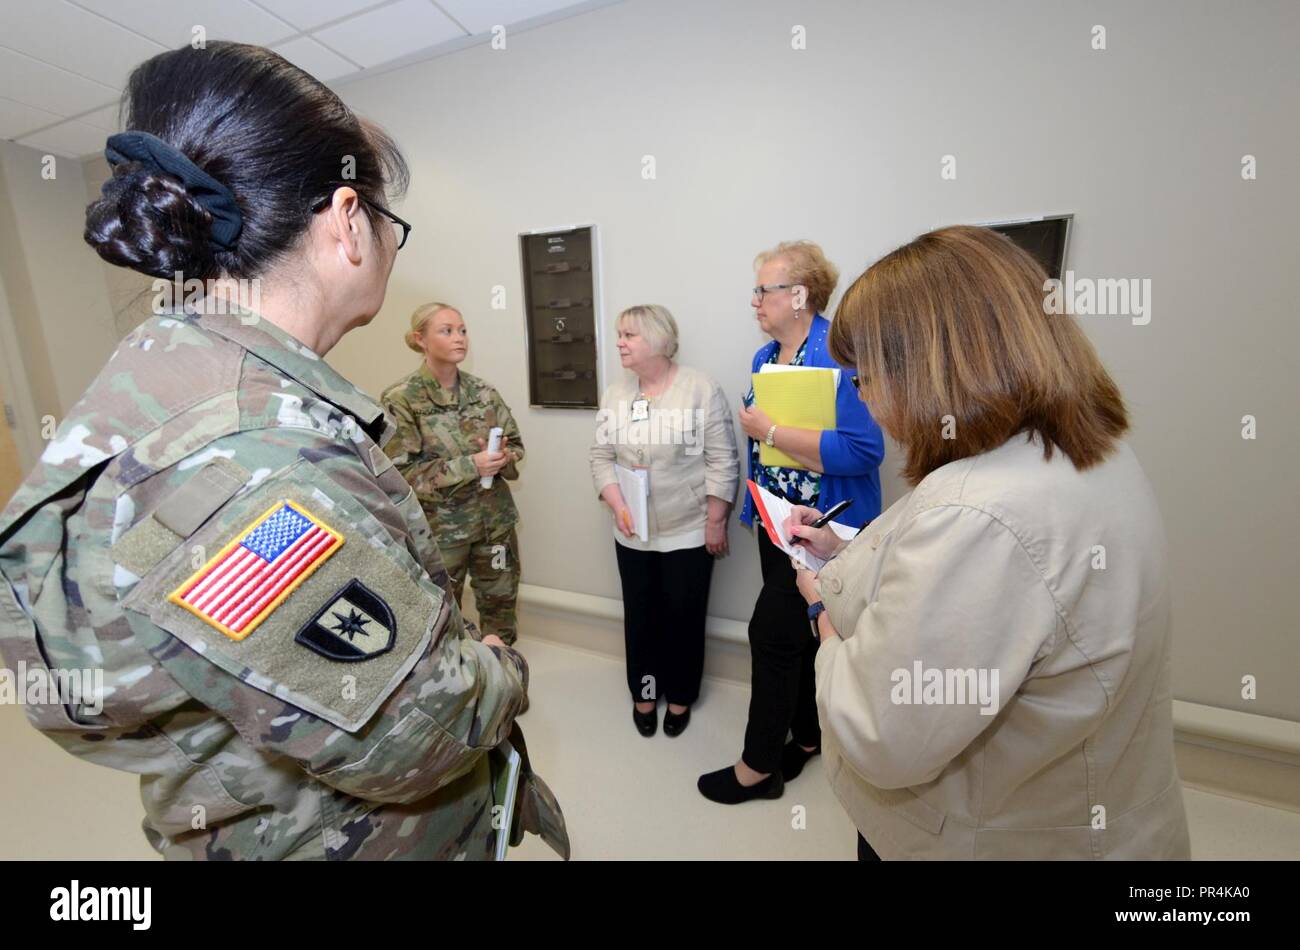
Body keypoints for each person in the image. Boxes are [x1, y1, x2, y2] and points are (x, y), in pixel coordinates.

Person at [0, 42, 566, 861]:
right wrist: (496, 665)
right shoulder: (249, 461)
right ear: (346, 222)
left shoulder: (175, 371)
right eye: (387, 223)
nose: (390, 245)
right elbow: (414, 735)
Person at [787, 225, 1190, 859]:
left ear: (927, 368)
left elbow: (882, 734)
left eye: (864, 376)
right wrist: (846, 554)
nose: (863, 398)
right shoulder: (1085, 456)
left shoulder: (979, 513)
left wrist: (822, 619)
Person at [698, 241, 884, 805]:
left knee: (771, 635)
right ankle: (806, 738)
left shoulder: (842, 353)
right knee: (799, 633)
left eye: (764, 289)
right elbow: (763, 451)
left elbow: (863, 449)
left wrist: (773, 432)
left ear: (799, 295)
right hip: (777, 523)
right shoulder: (765, 357)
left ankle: (758, 767)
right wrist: (756, 500)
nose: (754, 299)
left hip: (828, 529)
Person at [589, 305, 739, 738]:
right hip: (631, 530)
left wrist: (715, 521)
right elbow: (600, 456)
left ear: (657, 339)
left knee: (684, 618)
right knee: (641, 616)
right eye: (619, 334)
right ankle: (645, 693)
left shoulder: (700, 389)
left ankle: (680, 697)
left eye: (629, 335)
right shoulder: (616, 394)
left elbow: (722, 459)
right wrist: (617, 504)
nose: (619, 342)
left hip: (689, 529)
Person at [382, 303, 525, 646]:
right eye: (446, 331)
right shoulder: (402, 399)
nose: (459, 338)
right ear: (421, 339)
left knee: (500, 606)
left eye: (462, 330)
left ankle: (504, 680)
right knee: (443, 617)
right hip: (441, 532)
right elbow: (399, 474)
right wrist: (471, 465)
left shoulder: (484, 393)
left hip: (494, 523)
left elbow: (517, 446)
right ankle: (460, 694)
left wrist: (503, 456)